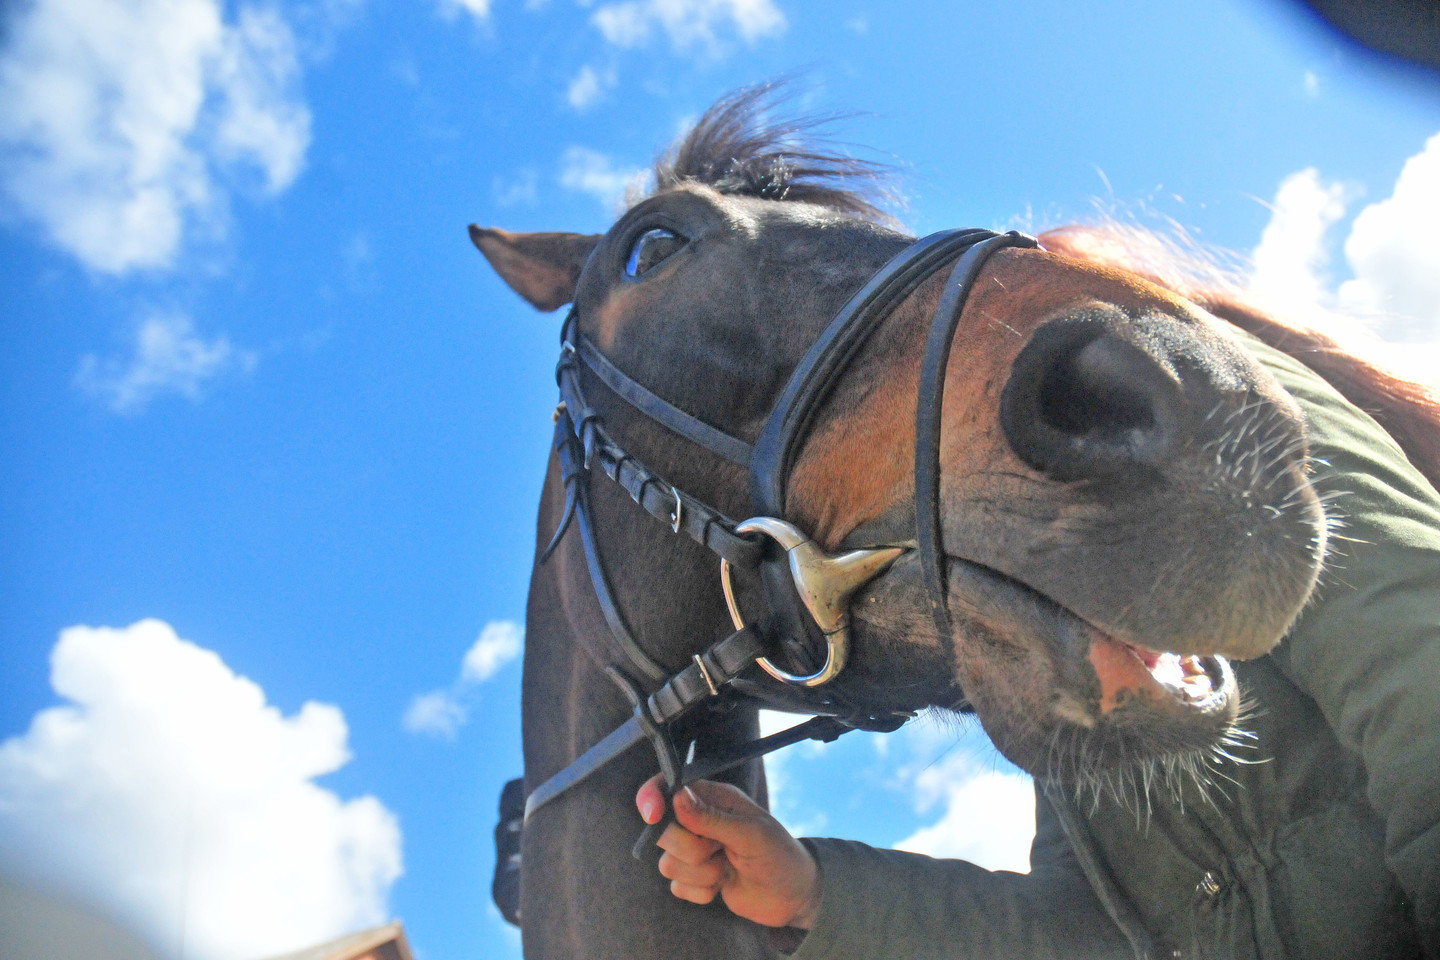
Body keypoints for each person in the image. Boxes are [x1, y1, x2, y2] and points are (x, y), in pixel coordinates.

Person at [636, 334, 1440, 959]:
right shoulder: (1050, 616)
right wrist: (817, 893)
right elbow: (1087, 930)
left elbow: (1417, 677)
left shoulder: (1233, 397)